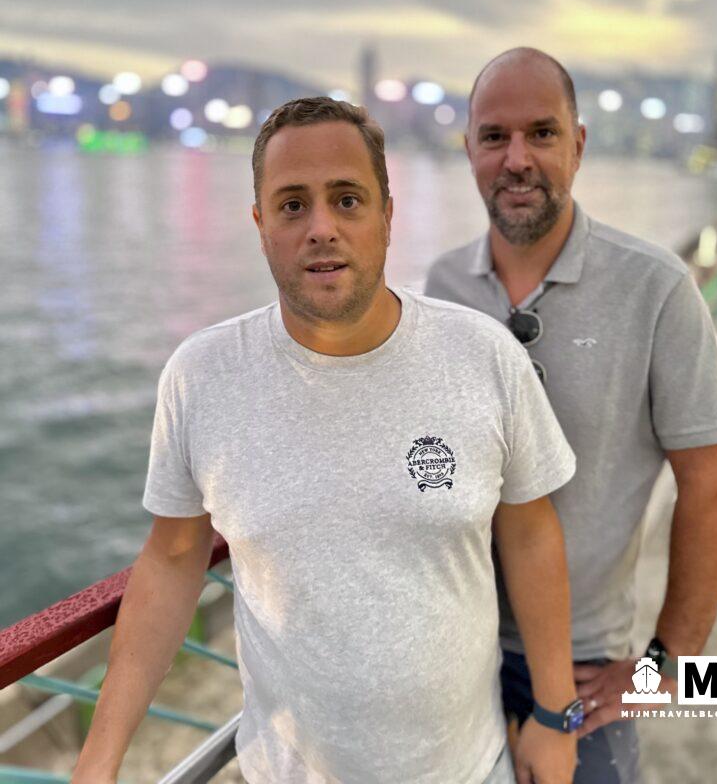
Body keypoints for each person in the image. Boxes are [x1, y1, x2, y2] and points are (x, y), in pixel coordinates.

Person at [72, 97, 583, 784]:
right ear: (260, 225)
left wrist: (555, 715)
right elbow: (172, 559)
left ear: (386, 216)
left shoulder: (483, 356)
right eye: (292, 205)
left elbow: (530, 533)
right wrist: (98, 761)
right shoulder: (202, 376)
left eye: (347, 200)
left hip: (468, 767)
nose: (321, 228)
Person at [424, 48, 717, 784]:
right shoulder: (442, 286)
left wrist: (668, 672)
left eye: (541, 133)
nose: (517, 159)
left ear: (578, 144)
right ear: (469, 149)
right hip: (449, 647)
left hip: (585, 660)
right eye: (494, 136)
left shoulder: (656, 286)